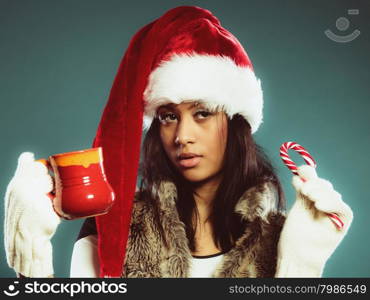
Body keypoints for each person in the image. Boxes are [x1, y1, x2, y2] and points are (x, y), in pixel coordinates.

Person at [4, 6, 353, 278]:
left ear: (235, 125)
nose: (182, 136)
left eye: (201, 113)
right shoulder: (114, 229)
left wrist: (302, 269)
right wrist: (31, 261)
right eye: (169, 116)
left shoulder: (285, 237)